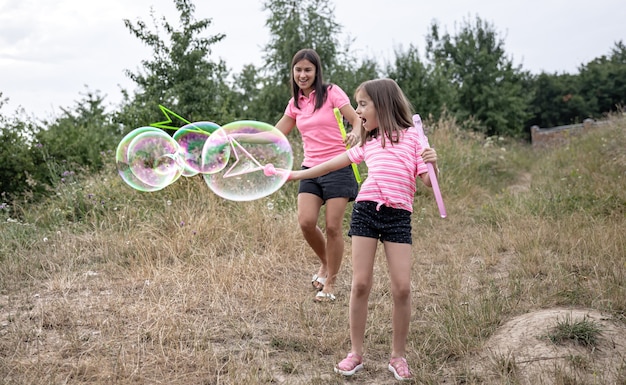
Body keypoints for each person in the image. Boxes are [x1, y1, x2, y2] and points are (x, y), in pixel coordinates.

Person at [287, 78, 439, 381]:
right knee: (360, 285)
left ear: (382, 105)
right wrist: (294, 175)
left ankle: (398, 356)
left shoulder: (413, 139)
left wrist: (433, 162)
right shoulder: (369, 142)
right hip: (366, 212)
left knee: (402, 288)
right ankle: (355, 353)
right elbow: (331, 164)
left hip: (398, 216)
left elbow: (427, 182)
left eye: (362, 104)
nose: (357, 111)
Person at [275, 48, 362, 303]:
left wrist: (356, 133)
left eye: (308, 70)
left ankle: (331, 281)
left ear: (316, 71)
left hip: (338, 166)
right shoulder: (295, 103)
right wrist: (238, 138)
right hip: (310, 170)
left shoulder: (332, 92)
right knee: (306, 222)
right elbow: (275, 134)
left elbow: (357, 119)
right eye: (298, 70)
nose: (303, 75)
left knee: (333, 227)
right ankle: (326, 263)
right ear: (293, 72)